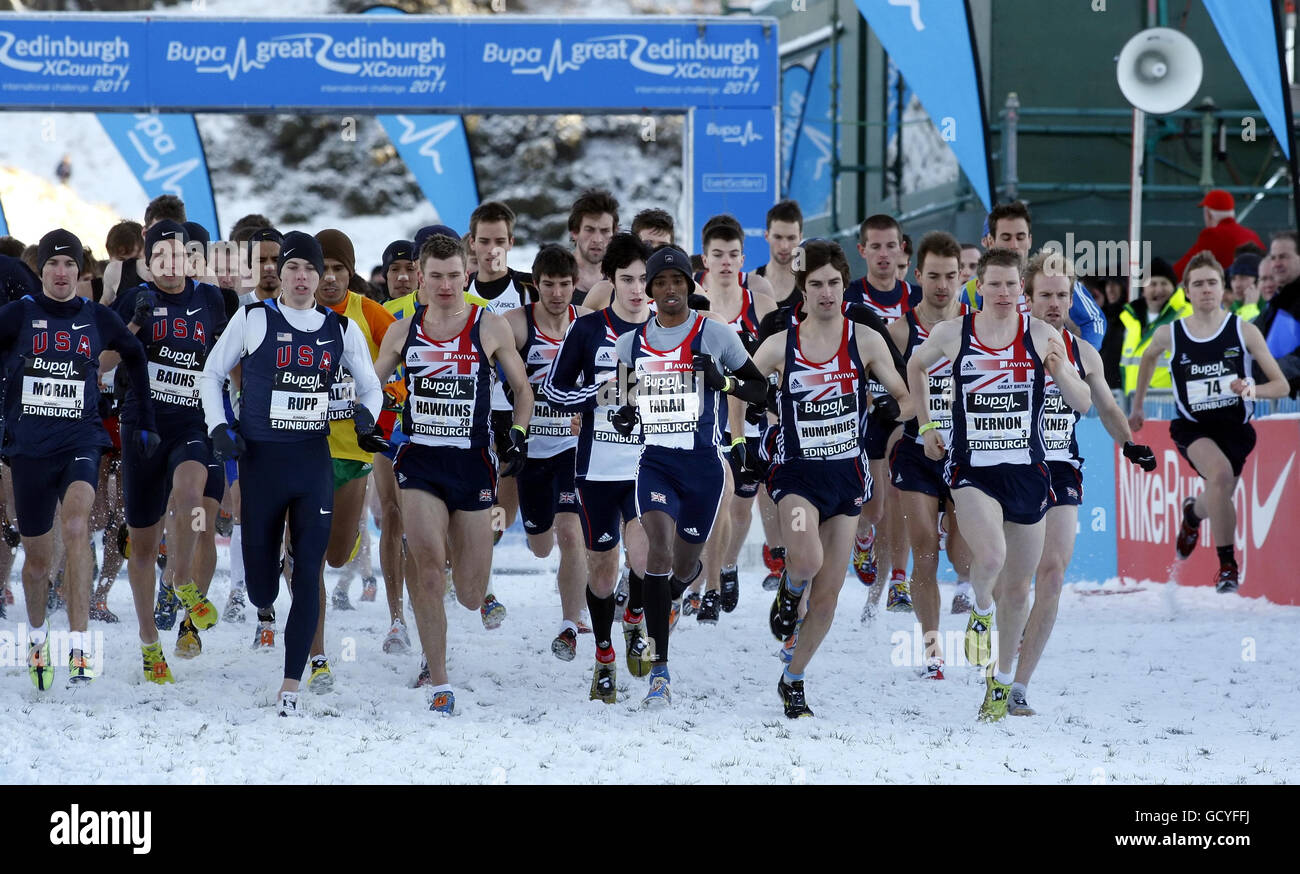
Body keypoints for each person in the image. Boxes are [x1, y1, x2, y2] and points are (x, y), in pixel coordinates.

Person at [200, 231, 385, 716]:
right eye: (293, 268)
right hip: (262, 464)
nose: (302, 278)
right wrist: (218, 427)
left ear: (321, 276)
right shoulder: (253, 319)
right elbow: (211, 374)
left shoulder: (341, 328)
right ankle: (266, 582)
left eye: (310, 269)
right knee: (262, 588)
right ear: (279, 274)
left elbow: (371, 387)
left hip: (311, 463)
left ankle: (291, 684)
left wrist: (366, 418)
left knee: (308, 572)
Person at [907, 247, 1092, 721]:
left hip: (1028, 472)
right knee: (990, 558)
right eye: (995, 284)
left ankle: (1003, 681)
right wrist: (926, 426)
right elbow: (915, 367)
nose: (1005, 293)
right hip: (973, 469)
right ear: (980, 287)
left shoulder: (1042, 335)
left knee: (1019, 590)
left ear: (1021, 290)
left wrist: (1058, 370)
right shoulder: (954, 333)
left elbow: (1083, 402)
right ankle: (981, 610)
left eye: (1012, 284)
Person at [370, 233, 533, 715]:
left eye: (454, 276)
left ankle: (458, 588)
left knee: (468, 591)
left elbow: (523, 390)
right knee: (426, 567)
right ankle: (438, 678)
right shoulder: (403, 331)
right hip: (419, 461)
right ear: (421, 277)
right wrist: (366, 419)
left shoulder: (489, 326)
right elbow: (371, 386)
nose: (445, 285)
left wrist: (518, 434)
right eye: (436, 276)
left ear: (467, 275)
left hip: (472, 463)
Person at [754, 240, 913, 717]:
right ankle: (790, 587)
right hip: (796, 476)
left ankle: (793, 678)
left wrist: (892, 409)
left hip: (846, 478)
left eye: (834, 284)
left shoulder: (864, 339)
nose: (827, 292)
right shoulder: (780, 343)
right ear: (802, 289)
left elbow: (907, 398)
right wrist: (743, 437)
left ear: (845, 286)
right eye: (817, 284)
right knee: (805, 560)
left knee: (828, 598)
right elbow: (740, 388)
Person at [612, 246, 770, 708]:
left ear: (688, 285)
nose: (669, 290)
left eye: (677, 281)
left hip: (703, 468)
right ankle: (659, 671)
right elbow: (621, 400)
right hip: (656, 464)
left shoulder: (714, 333)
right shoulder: (630, 344)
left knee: (682, 568)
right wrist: (624, 415)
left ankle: (673, 590)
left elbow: (761, 388)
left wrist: (722, 382)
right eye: (660, 282)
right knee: (657, 549)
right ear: (650, 290)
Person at [0, 229, 158, 688]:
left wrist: (145, 419)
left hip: (81, 441)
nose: (62, 271)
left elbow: (134, 354)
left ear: (81, 272)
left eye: (70, 264)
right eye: (53, 263)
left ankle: (80, 644)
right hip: (29, 449)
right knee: (36, 563)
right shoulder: (18, 314)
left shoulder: (96, 317)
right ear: (41, 270)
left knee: (75, 525)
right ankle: (36, 638)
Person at [1016, 250, 1156, 715]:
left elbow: (1108, 407)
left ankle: (1018, 686)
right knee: (1011, 578)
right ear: (1027, 297)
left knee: (1053, 573)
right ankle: (995, 632)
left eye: (1063, 295)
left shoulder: (1083, 351)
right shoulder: (1004, 344)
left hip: (1061, 466)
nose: (1055, 304)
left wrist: (1130, 444)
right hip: (1009, 467)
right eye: (1046, 295)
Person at [108, 220, 229, 675]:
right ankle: (149, 642)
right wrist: (134, 323)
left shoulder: (210, 299)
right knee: (141, 546)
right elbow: (102, 361)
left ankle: (180, 579)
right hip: (142, 428)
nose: (171, 264)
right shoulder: (135, 298)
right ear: (148, 261)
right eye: (161, 256)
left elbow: (227, 358)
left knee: (192, 496)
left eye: (178, 255)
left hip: (190, 423)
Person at [1130, 252, 1289, 593]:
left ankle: (1192, 514)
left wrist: (1251, 389)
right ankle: (1228, 567)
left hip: (1236, 429)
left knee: (1218, 492)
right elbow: (1147, 357)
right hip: (1193, 427)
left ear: (1222, 288)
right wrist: (1138, 406)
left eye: (1212, 283)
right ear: (1186, 291)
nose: (1205, 289)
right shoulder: (1171, 334)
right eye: (1198, 284)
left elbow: (1282, 386)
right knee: (1219, 476)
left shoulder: (1243, 331)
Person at [543, 233, 654, 701]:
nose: (637, 289)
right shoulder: (589, 329)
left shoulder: (668, 329)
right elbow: (554, 391)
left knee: (648, 560)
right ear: (610, 280)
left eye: (644, 279)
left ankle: (635, 619)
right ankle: (604, 654)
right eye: (627, 279)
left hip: (649, 467)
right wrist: (603, 394)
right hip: (598, 469)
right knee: (605, 572)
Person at [309, 229, 402, 686]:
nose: (329, 278)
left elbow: (403, 362)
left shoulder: (369, 313)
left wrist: (388, 405)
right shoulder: (292, 310)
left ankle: (330, 547)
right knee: (306, 555)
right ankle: (315, 654)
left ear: (351, 273)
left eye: (338, 270)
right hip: (301, 448)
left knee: (336, 554)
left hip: (352, 451)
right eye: (321, 269)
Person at [885, 231, 972, 679]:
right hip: (917, 452)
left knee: (962, 554)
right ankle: (933, 651)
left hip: (969, 454)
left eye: (951, 276)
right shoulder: (901, 331)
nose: (942, 285)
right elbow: (889, 400)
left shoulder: (978, 326)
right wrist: (919, 417)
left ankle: (979, 606)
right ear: (917, 275)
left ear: (962, 277)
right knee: (924, 550)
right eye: (934, 276)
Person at [502, 245, 590, 659]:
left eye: (564, 285)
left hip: (573, 448)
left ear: (575, 285)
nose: (557, 294)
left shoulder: (587, 324)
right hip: (531, 449)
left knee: (572, 533)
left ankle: (570, 623)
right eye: (549, 285)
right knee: (541, 545)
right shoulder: (516, 325)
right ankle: (541, 534)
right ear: (535, 285)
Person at [691, 214, 776, 622]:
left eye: (733, 255)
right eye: (718, 254)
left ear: (743, 258)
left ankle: (727, 565)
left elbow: (778, 358)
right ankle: (701, 584)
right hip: (706, 417)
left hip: (750, 417)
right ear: (705, 258)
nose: (726, 262)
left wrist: (767, 398)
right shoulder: (693, 300)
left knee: (741, 505)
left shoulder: (760, 303)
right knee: (712, 500)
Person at [848, 214, 919, 616]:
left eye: (891, 245)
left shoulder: (917, 297)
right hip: (865, 410)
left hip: (906, 409)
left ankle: (898, 581)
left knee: (897, 491)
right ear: (862, 251)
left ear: (902, 249)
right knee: (873, 509)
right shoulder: (848, 297)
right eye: (875, 246)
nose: (884, 254)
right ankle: (863, 536)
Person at [964, 201, 1108, 350]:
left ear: (1029, 240)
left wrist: (1082, 357)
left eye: (1020, 237)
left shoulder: (1054, 276)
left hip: (1048, 363)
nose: (1014, 245)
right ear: (991, 241)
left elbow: (1094, 321)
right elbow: (959, 330)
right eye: (1006, 238)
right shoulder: (972, 289)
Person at [1117, 257, 1192, 396]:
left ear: (1173, 287)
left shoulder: (1187, 314)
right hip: (1133, 401)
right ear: (1143, 290)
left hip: (1169, 400)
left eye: (1164, 283)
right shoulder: (1131, 320)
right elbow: (1125, 366)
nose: (1159, 289)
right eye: (1153, 284)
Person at [1171, 190, 1265, 281]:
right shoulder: (1252, 235)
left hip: (1228, 289)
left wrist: (1166, 278)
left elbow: (1184, 268)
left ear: (1208, 214)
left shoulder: (1211, 235)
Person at [1255, 230, 1300, 396]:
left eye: (1283, 257)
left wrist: (1271, 375)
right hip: (1276, 399)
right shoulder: (1275, 304)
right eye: (1273, 258)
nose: (1276, 263)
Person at [568, 190, 619, 305]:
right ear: (575, 232)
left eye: (605, 231)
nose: (597, 239)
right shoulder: (552, 276)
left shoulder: (622, 281)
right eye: (590, 230)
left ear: (614, 234)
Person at [756, 200, 803, 308]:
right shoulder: (749, 284)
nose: (784, 246)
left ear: (800, 238)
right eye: (778, 237)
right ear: (766, 236)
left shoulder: (811, 285)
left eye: (791, 238)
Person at [1225, 253, 1261, 321]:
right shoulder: (1229, 310)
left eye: (1243, 278)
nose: (1237, 285)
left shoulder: (1272, 310)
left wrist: (1249, 308)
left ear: (1258, 281)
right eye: (1233, 279)